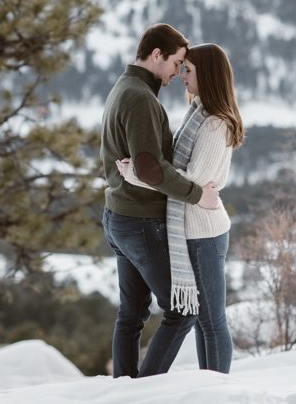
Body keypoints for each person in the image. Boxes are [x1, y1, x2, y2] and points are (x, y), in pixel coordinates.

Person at [100, 23, 221, 378]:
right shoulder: (139, 98)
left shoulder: (124, 87)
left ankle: (124, 387)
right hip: (139, 221)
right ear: (157, 55)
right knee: (183, 310)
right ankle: (144, 391)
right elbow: (149, 168)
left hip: (118, 216)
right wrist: (197, 195)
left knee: (132, 313)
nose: (178, 73)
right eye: (176, 63)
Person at [117, 43, 244, 373]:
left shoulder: (215, 124)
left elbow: (191, 180)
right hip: (194, 229)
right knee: (203, 321)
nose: (181, 76)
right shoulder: (197, 114)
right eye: (182, 67)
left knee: (212, 321)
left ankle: (217, 393)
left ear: (208, 75)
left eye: (188, 70)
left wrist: (139, 175)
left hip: (204, 231)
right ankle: (207, 387)